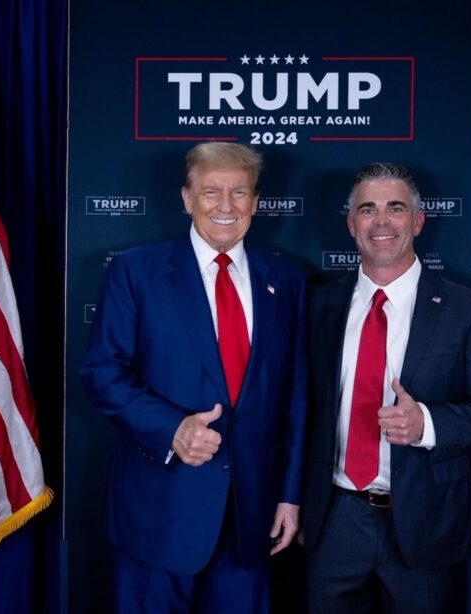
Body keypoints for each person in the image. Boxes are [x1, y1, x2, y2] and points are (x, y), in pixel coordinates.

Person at [80, 142, 307, 613]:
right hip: (159, 512)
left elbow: (297, 397)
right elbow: (103, 373)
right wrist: (174, 428)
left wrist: (289, 495)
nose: (226, 206)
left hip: (252, 516)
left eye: (239, 192)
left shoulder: (286, 281)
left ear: (256, 202)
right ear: (186, 198)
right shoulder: (135, 272)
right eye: (210, 192)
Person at [301, 163, 471, 613]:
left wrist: (427, 423)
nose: (381, 222)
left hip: (427, 521)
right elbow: (300, 408)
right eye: (367, 209)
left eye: (395, 209)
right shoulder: (319, 302)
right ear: (351, 223)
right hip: (336, 518)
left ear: (417, 221)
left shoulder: (463, 307)